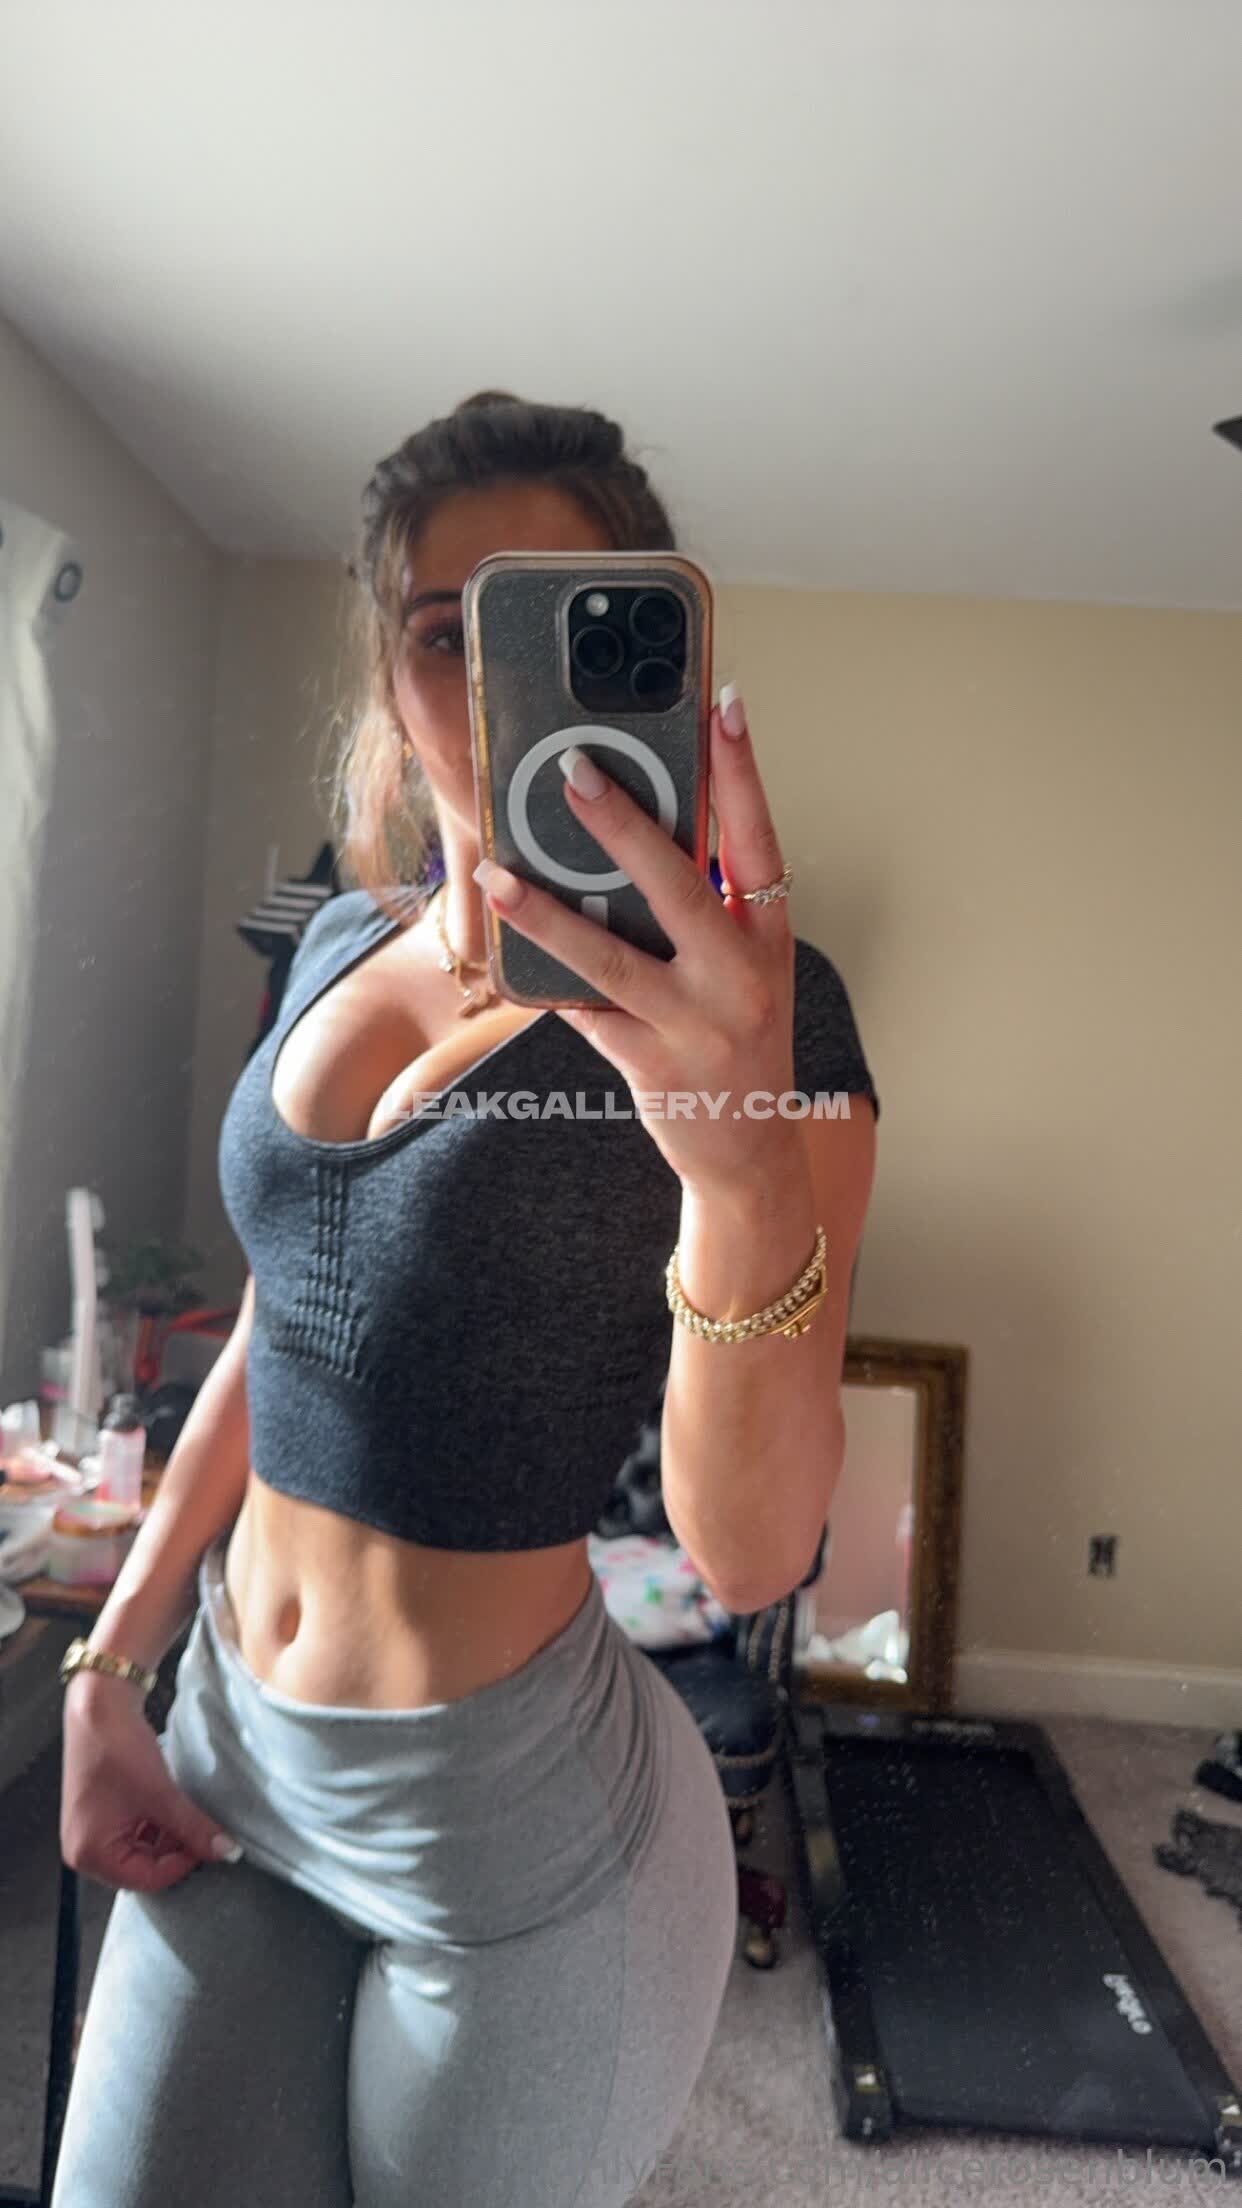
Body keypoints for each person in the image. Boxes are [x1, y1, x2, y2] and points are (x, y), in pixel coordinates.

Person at [51, 391, 880, 2208]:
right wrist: (114, 1656)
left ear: (668, 659)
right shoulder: (338, 938)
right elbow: (280, 1321)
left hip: (518, 1844)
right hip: (226, 1757)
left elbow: (749, 1556)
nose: (507, 692)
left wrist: (738, 1171)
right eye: (452, 631)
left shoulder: (760, 1013)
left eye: (578, 628)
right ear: (390, 669)